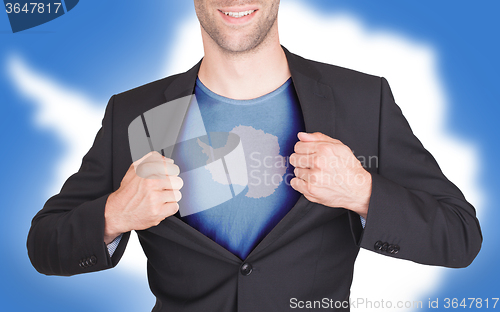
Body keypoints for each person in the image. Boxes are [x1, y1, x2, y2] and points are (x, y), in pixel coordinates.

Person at [27, 0, 482, 311]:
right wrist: (114, 214)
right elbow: (44, 245)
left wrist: (363, 191)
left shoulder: (363, 101)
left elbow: (460, 236)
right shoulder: (136, 113)